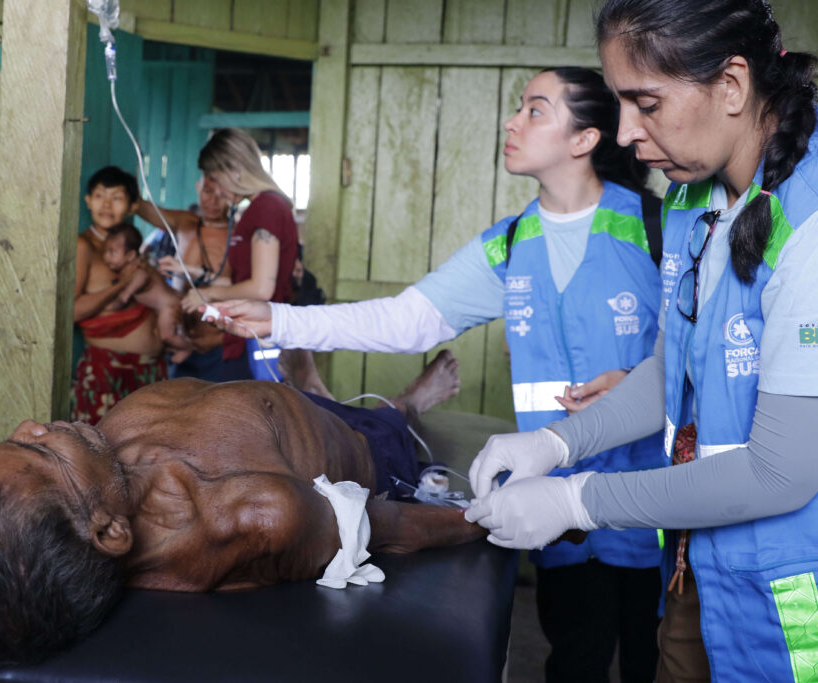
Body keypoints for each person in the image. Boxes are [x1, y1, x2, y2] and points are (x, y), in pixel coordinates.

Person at [207, 67, 667, 682]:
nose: (512, 121)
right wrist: (280, 319)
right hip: (558, 515)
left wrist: (639, 382)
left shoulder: (659, 229)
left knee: (662, 662)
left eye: (534, 110)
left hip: (658, 510)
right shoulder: (511, 244)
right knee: (576, 661)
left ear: (584, 139)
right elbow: (404, 322)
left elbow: (703, 360)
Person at [461, 2, 818, 681]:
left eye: (645, 103)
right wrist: (556, 444)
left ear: (733, 86)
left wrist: (576, 500)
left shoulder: (811, 224)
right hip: (697, 567)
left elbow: (781, 471)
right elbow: (675, 368)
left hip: (790, 593)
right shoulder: (692, 199)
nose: (625, 133)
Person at [0, 352, 481, 664]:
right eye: (42, 454)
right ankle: (406, 403)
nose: (32, 424)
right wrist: (507, 516)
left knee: (305, 394)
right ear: (110, 531)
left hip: (261, 405)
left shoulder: (79, 506)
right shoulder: (258, 511)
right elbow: (393, 527)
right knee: (385, 421)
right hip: (364, 449)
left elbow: (23, 509)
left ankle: (309, 387)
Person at [185, 128, 300, 381]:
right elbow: (244, 278)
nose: (219, 192)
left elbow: (260, 289)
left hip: (259, 338)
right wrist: (200, 281)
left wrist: (207, 293)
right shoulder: (256, 209)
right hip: (248, 333)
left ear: (234, 170)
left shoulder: (266, 207)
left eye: (217, 180)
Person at [72, 167, 167, 424]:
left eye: (116, 197)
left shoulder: (132, 245)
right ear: (88, 200)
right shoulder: (85, 246)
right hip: (108, 371)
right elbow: (73, 311)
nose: (106, 204)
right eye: (100, 195)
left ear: (131, 205)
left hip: (148, 369)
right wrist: (120, 285)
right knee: (102, 452)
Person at [137, 176, 235, 381]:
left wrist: (189, 271)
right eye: (208, 191)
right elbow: (139, 206)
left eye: (223, 194)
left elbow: (246, 287)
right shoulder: (185, 223)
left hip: (220, 347)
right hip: (182, 343)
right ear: (198, 187)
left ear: (235, 195)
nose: (214, 201)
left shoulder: (239, 235)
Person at [98, 223, 193, 364]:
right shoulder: (132, 267)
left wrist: (125, 294)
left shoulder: (138, 269)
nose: (106, 257)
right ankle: (178, 346)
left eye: (112, 252)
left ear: (130, 255)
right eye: (105, 251)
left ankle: (188, 348)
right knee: (166, 333)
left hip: (169, 306)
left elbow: (141, 278)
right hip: (167, 305)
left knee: (166, 335)